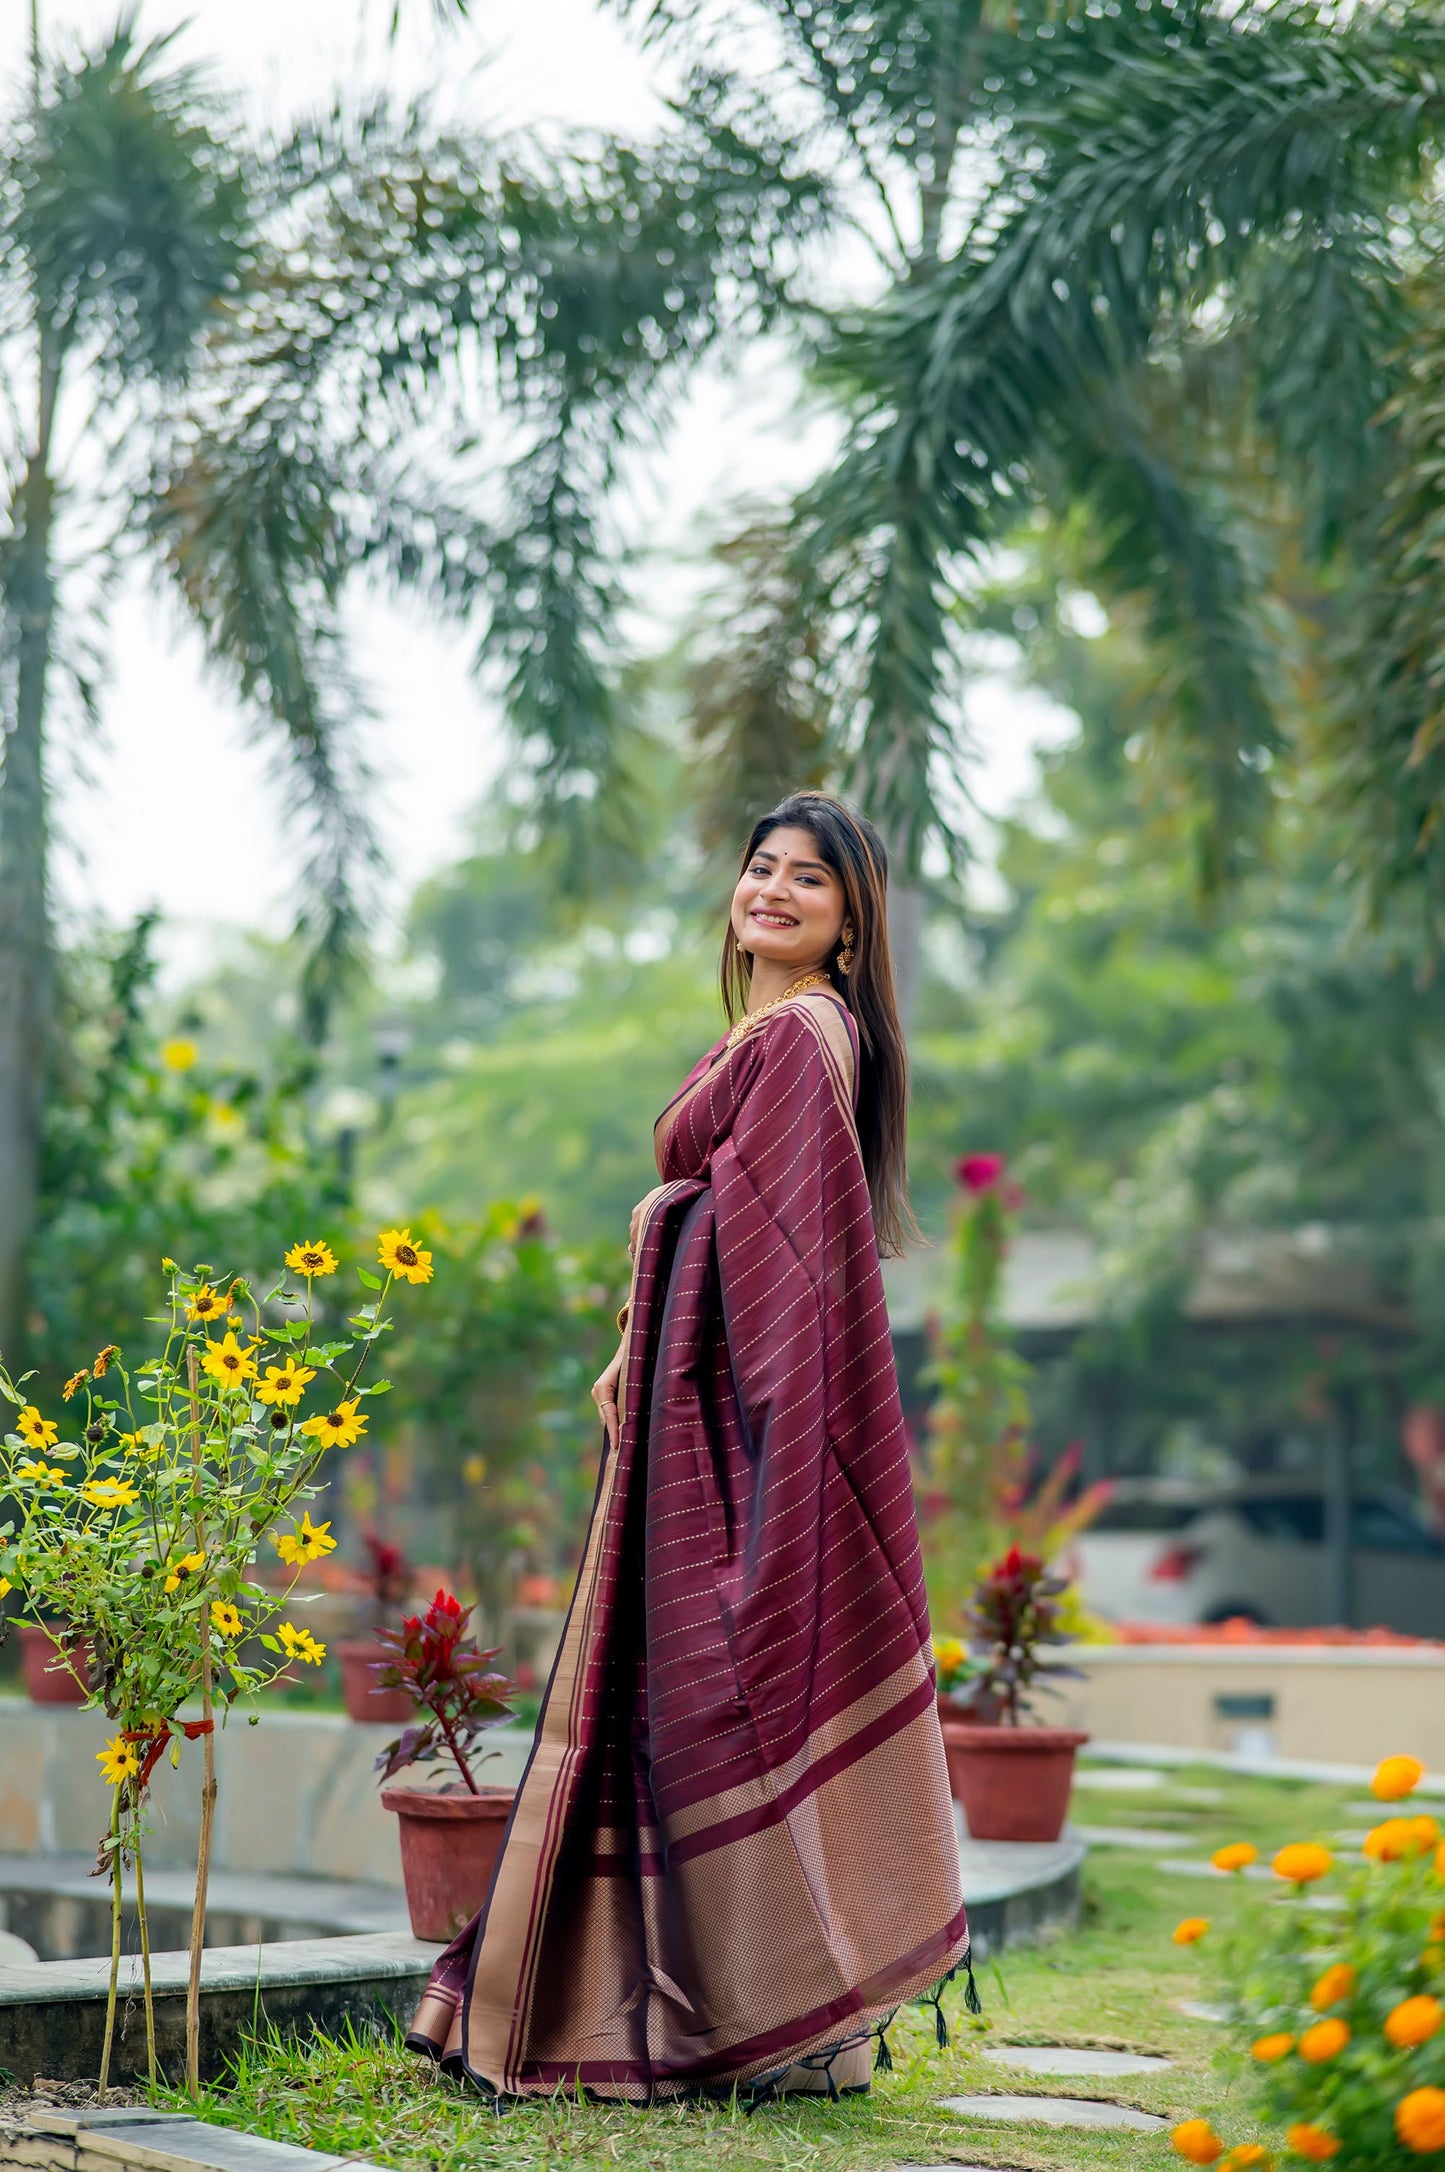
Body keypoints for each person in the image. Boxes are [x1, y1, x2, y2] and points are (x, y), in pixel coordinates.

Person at [404, 790, 970, 2101]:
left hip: (726, 1432)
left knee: (711, 1689)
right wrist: (632, 1332)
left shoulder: (798, 1040)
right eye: (757, 868)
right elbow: (720, 1216)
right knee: (671, 1702)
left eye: (806, 881)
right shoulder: (775, 1031)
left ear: (848, 925)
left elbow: (779, 1274)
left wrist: (764, 1480)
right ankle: (757, 2009)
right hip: (689, 1406)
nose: (769, 891)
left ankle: (769, 2011)